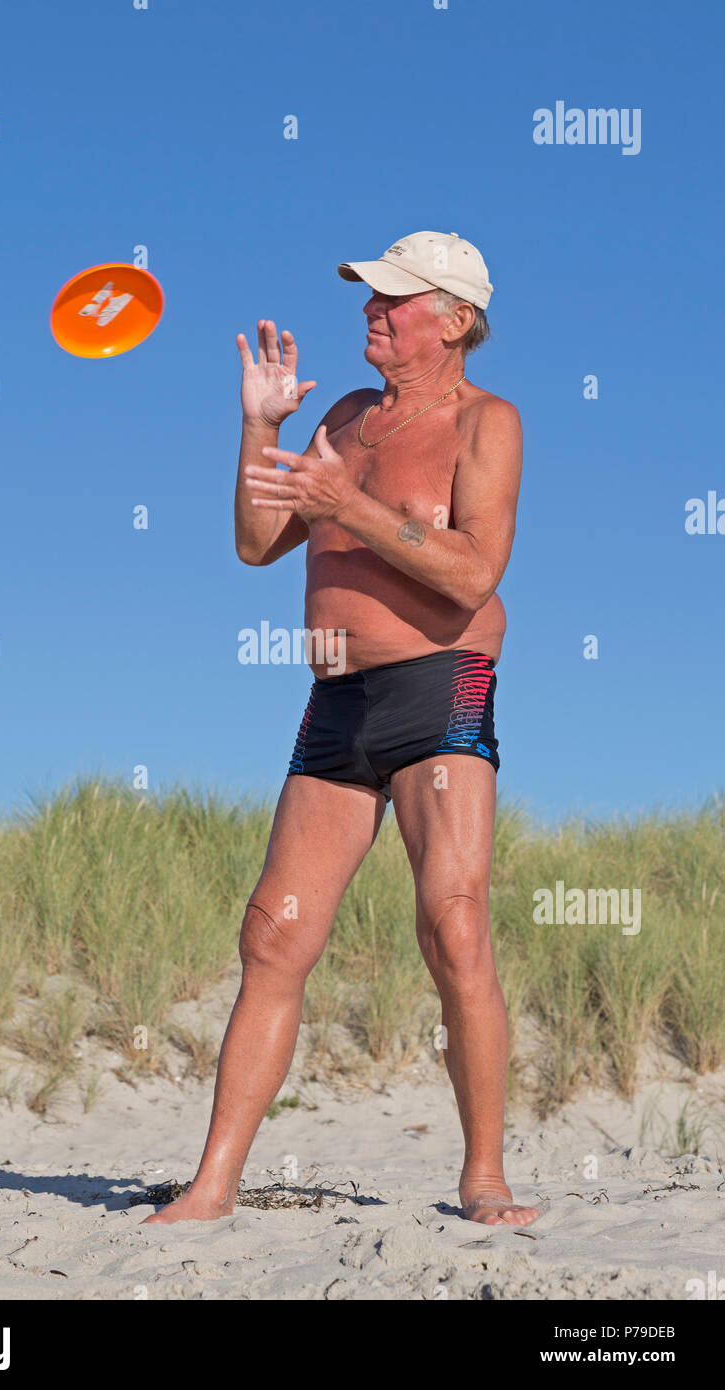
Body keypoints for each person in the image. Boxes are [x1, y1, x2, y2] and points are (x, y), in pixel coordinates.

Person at [145, 231, 536, 1227]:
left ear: (451, 321)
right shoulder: (346, 416)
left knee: (451, 924)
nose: (371, 308)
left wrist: (347, 504)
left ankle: (483, 1177)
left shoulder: (486, 423)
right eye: (368, 293)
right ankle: (212, 1185)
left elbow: (468, 574)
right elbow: (255, 542)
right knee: (271, 933)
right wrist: (258, 430)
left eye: (392, 298)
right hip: (336, 699)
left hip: (439, 685)